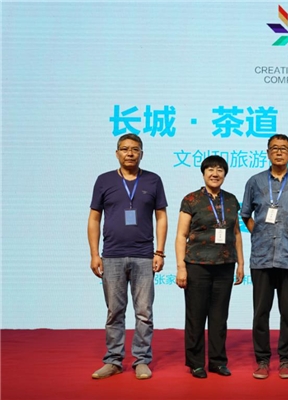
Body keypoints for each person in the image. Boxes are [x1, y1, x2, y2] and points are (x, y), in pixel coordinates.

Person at [88, 133, 168, 380]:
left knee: (144, 312)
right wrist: (94, 254)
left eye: (135, 149)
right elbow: (94, 218)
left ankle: (141, 360)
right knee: (114, 311)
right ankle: (113, 360)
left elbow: (161, 217)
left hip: (144, 256)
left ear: (142, 153)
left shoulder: (153, 180)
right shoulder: (104, 180)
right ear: (117, 153)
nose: (130, 153)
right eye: (124, 149)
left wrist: (159, 252)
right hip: (112, 255)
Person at [241, 134, 288, 379]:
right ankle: (262, 360)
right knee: (261, 312)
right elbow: (245, 214)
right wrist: (260, 233)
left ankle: (285, 360)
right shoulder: (255, 181)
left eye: (284, 148)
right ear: (268, 152)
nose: (279, 152)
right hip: (261, 257)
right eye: (274, 148)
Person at [175, 155, 244, 379]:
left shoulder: (231, 200)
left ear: (225, 174)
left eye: (220, 170)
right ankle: (196, 363)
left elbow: (236, 233)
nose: (215, 174)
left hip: (225, 265)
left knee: (219, 317)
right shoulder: (191, 199)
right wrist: (181, 267)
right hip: (197, 265)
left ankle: (217, 361)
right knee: (196, 317)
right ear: (203, 173)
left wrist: (241, 263)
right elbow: (181, 235)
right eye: (211, 169)